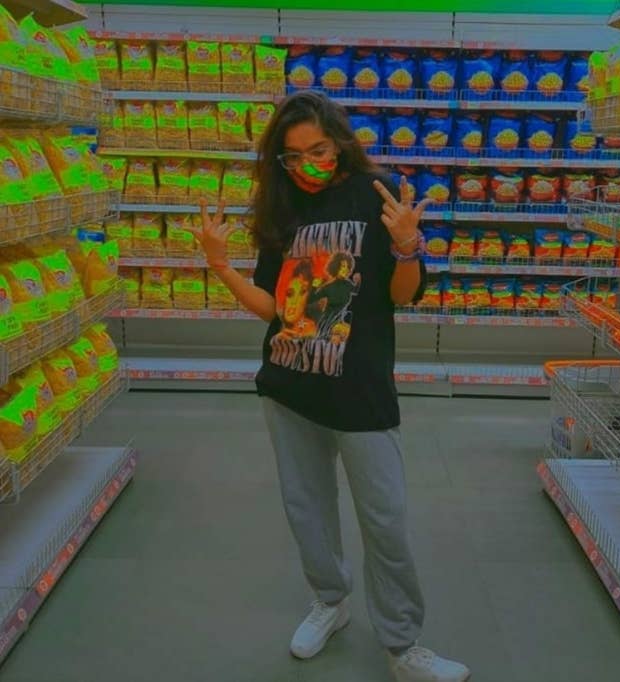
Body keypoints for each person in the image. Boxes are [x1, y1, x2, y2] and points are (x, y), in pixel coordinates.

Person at [189, 90, 471, 682]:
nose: (309, 163)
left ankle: (402, 644)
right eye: (293, 156)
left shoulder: (378, 193)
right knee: (307, 509)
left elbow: (401, 296)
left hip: (361, 392)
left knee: (385, 519)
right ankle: (330, 601)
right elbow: (273, 307)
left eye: (318, 149)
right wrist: (219, 265)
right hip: (288, 388)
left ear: (340, 142)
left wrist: (406, 247)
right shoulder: (281, 208)